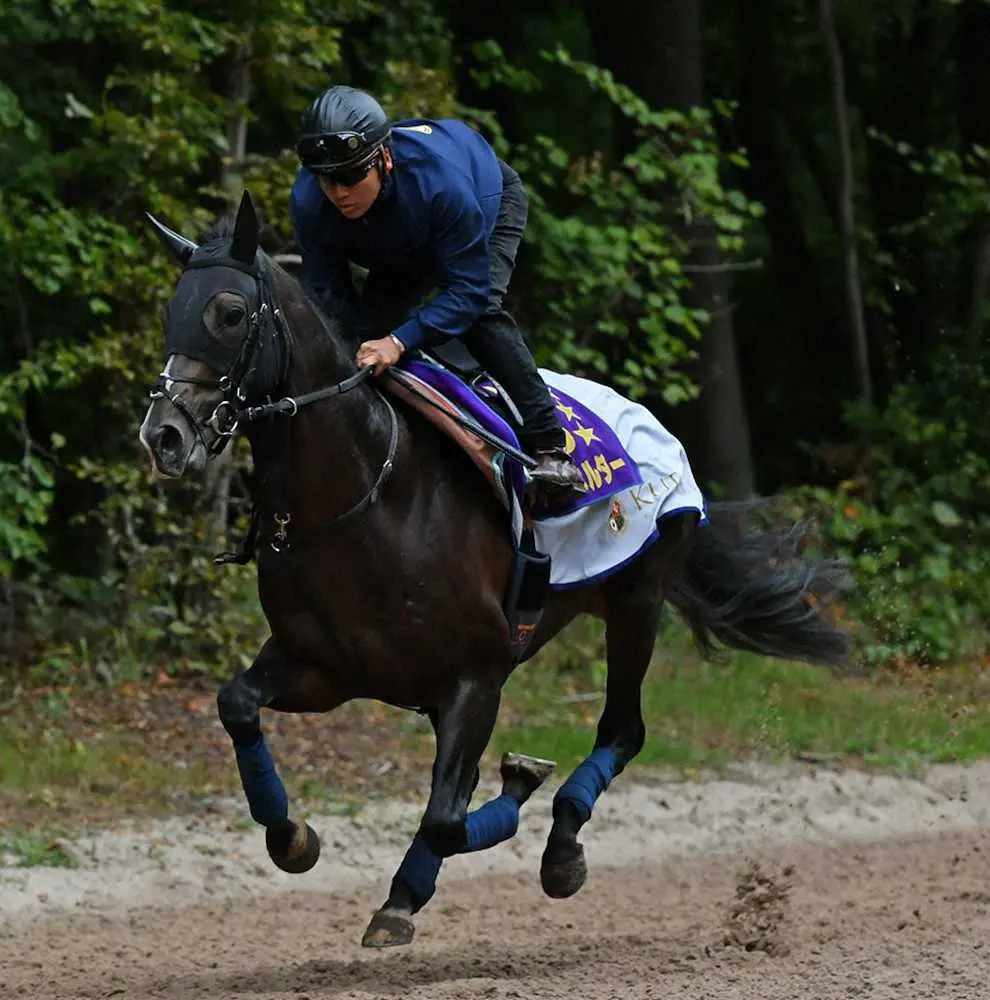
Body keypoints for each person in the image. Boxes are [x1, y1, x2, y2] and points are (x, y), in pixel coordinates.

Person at [288, 84, 587, 499]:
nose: (338, 192)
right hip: (401, 239)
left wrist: (398, 341)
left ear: (384, 158)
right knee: (356, 337)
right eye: (326, 180)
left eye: (350, 175)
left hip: (483, 207)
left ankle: (551, 448)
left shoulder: (441, 186)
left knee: (480, 318)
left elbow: (467, 294)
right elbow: (326, 294)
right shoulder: (310, 201)